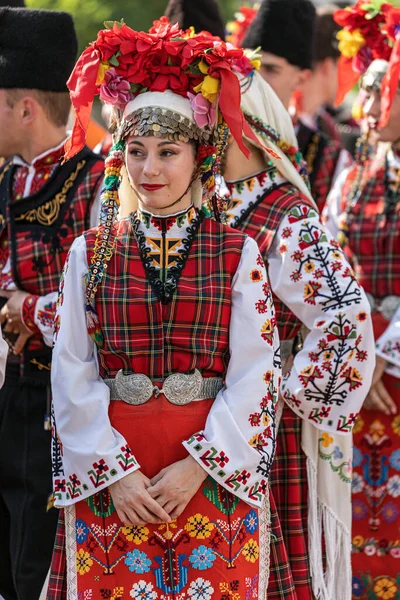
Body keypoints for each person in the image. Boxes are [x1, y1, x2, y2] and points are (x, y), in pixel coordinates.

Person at [46, 18, 281, 599]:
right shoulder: (90, 252)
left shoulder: (237, 251)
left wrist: (201, 465)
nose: (149, 169)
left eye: (167, 152)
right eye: (136, 150)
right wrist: (115, 475)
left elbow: (258, 371)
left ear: (200, 157)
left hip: (208, 465)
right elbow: (72, 367)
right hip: (114, 468)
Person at [221, 66, 375, 599]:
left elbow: (345, 320)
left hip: (272, 430)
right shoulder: (215, 205)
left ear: (245, 130)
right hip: (215, 418)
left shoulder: (286, 216)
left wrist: (284, 397)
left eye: (212, 121)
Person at [0, 7, 104, 600]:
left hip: (65, 406)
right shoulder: (9, 177)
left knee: (36, 563)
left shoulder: (97, 183)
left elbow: (110, 308)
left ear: (25, 107)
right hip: (12, 395)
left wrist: (28, 310)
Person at [323, 4, 400, 595]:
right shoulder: (352, 173)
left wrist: (386, 347)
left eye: (382, 93)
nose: (365, 108)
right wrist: (363, 337)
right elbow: (332, 264)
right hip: (361, 369)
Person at [242, 0, 351, 212]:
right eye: (249, 66)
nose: (256, 79)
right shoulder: (217, 138)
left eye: (271, 69)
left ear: (301, 79)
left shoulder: (331, 157)